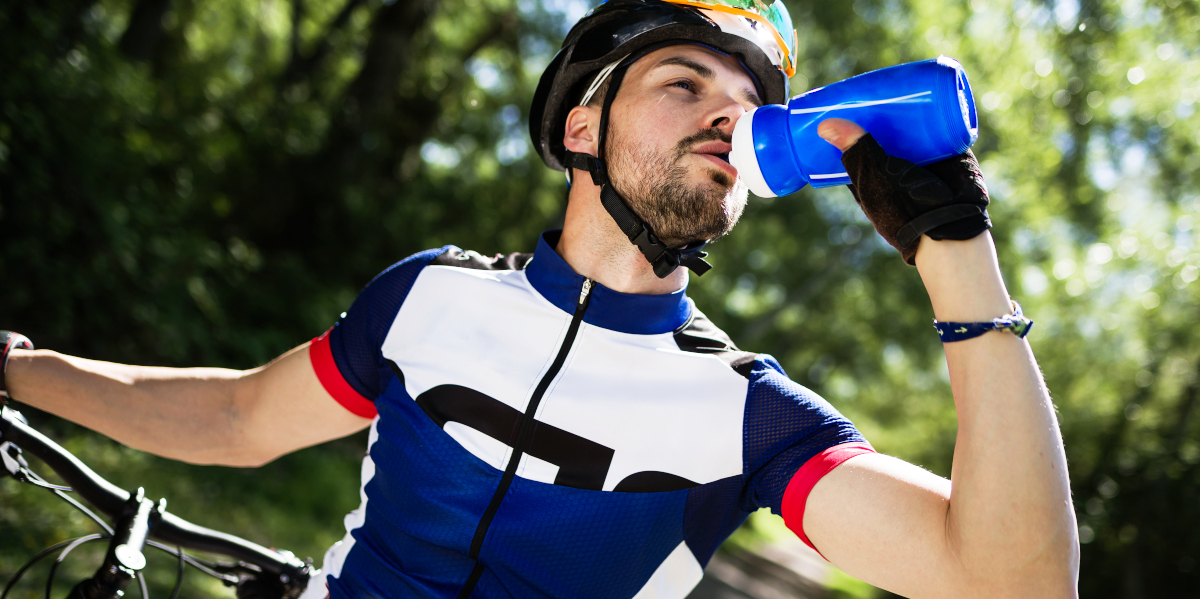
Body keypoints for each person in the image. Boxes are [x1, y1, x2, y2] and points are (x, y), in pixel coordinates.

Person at [1, 0, 1079, 597]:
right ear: (580, 131)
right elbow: (238, 416)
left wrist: (954, 247)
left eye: (748, 107)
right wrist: (13, 364)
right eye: (685, 83)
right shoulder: (428, 298)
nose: (726, 119)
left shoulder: (751, 416)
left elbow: (1015, 583)